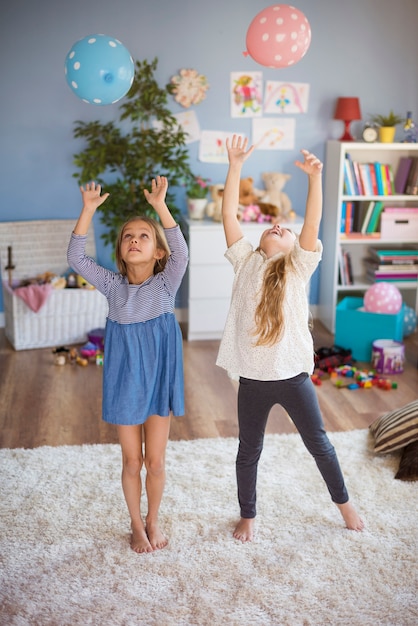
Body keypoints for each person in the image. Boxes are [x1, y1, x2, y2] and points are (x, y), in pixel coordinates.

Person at [216, 135, 364, 543]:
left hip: (294, 376)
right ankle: (248, 515)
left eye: (284, 229)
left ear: (294, 246)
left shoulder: (298, 266)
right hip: (252, 379)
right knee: (249, 451)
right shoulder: (245, 261)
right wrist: (235, 165)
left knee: (319, 444)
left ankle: (345, 503)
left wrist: (316, 179)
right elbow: (229, 213)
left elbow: (312, 223)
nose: (277, 226)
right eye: (272, 227)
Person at [67, 176, 188, 553]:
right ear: (121, 251)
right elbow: (76, 258)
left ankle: (153, 519)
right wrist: (88, 209)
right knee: (131, 460)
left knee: (156, 460)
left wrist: (160, 208)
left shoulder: (166, 284)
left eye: (144, 236)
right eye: (127, 237)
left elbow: (182, 252)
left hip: (160, 379)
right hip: (124, 380)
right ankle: (135, 525)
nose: (134, 240)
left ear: (157, 253)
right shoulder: (112, 285)